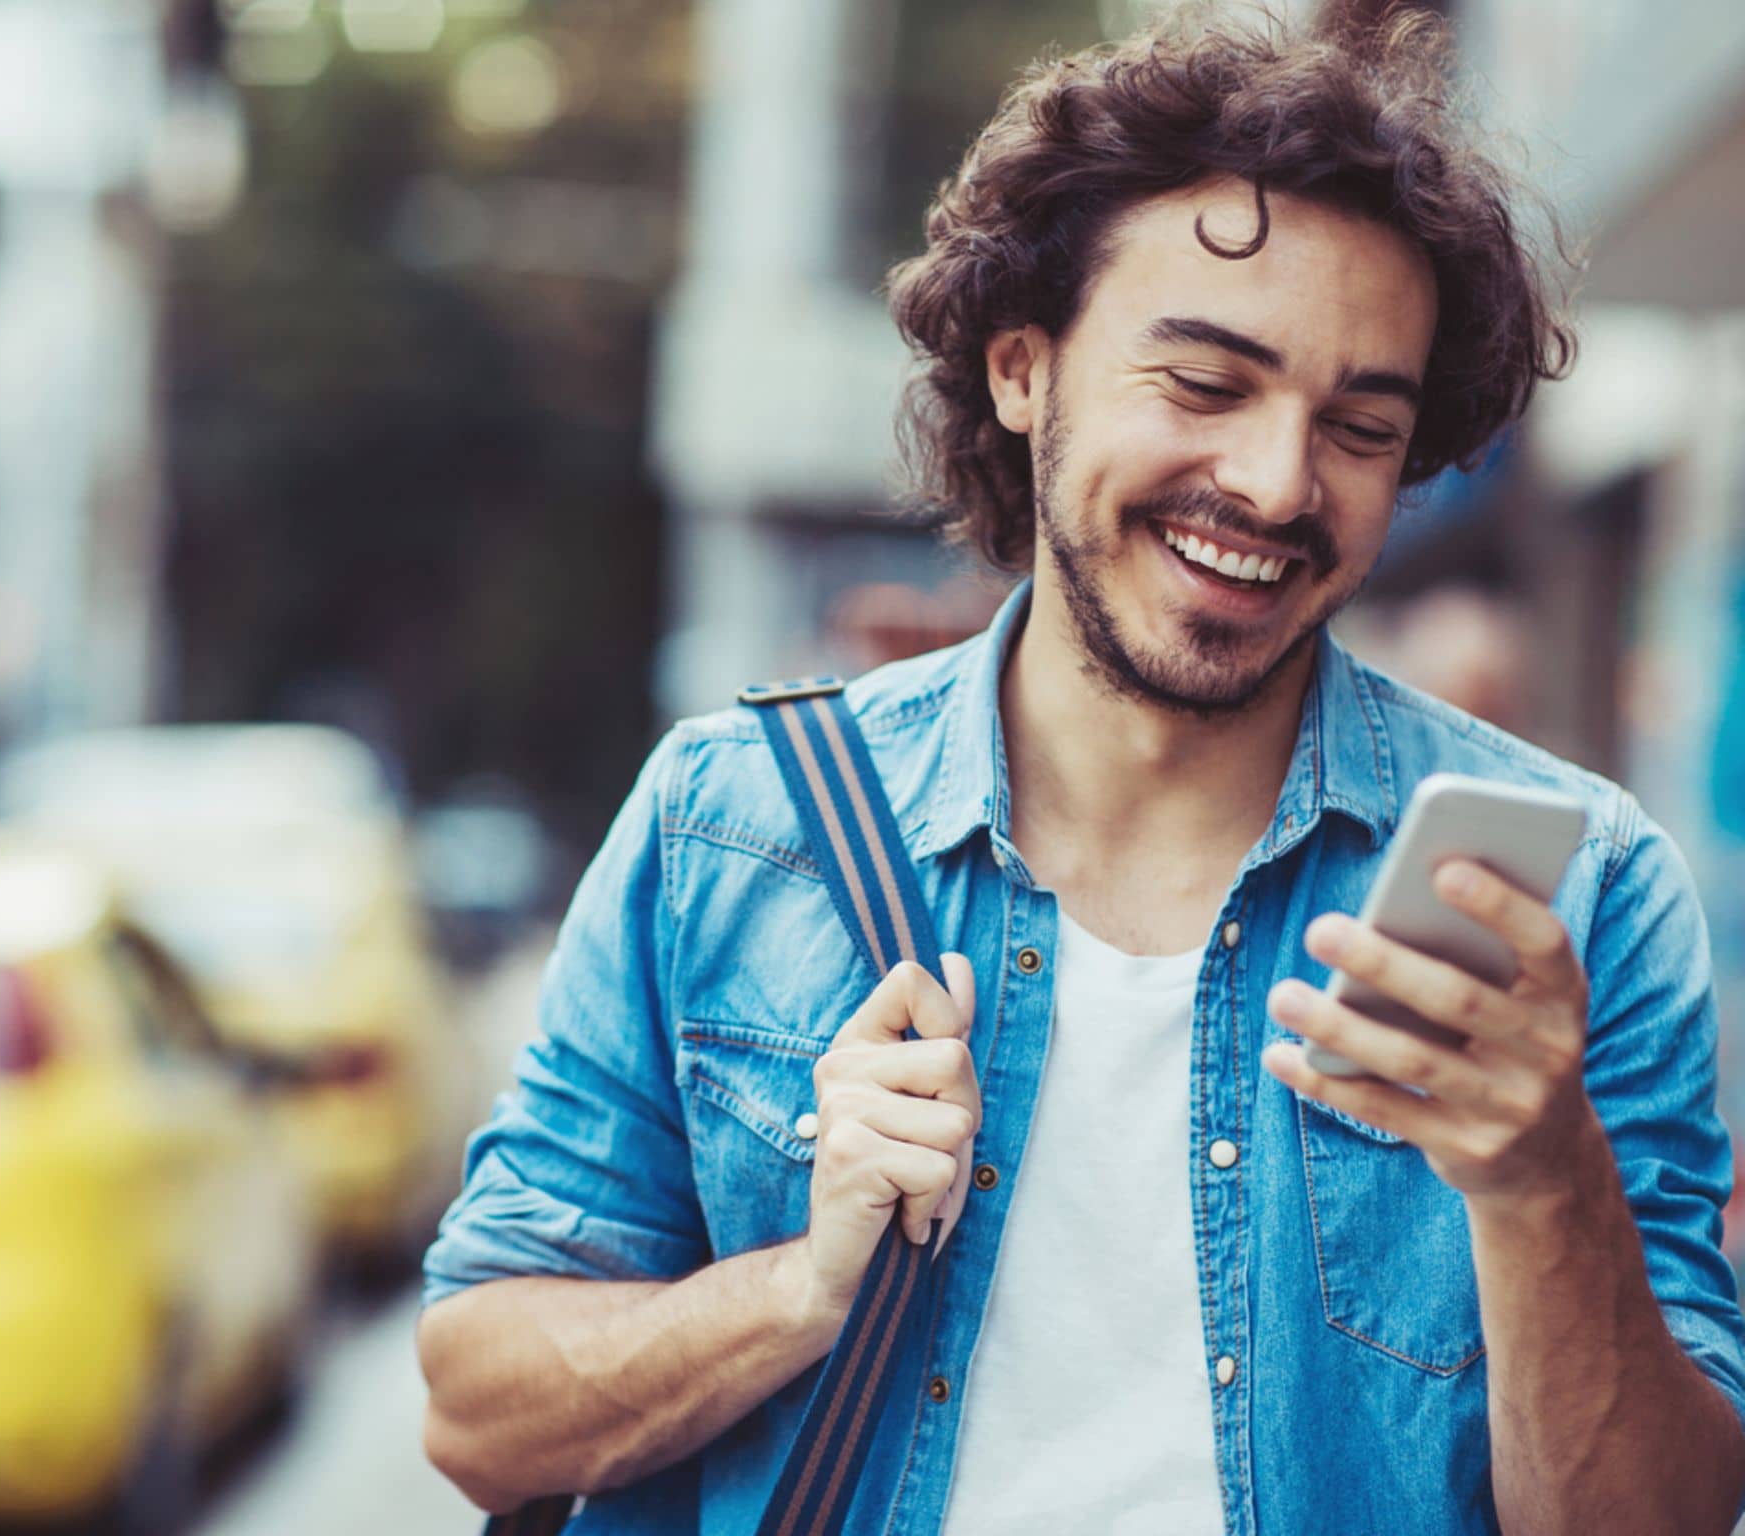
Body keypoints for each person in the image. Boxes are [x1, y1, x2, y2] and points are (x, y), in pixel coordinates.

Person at [416, 9, 1745, 1534]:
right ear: (1021, 368)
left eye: (1360, 426)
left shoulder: (1581, 892)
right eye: (1202, 383)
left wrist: (1542, 1188)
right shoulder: (735, 820)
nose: (1274, 481)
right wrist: (797, 1286)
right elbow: (475, 1409)